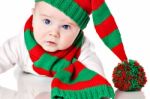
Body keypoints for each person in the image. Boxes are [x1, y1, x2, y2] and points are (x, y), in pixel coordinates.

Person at [1, 0, 146, 99]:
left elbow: (93, 67)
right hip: (25, 84)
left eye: (65, 27)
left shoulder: (80, 46)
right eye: (47, 21)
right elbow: (3, 56)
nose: (54, 33)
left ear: (79, 30)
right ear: (33, 15)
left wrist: (97, 90)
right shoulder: (21, 43)